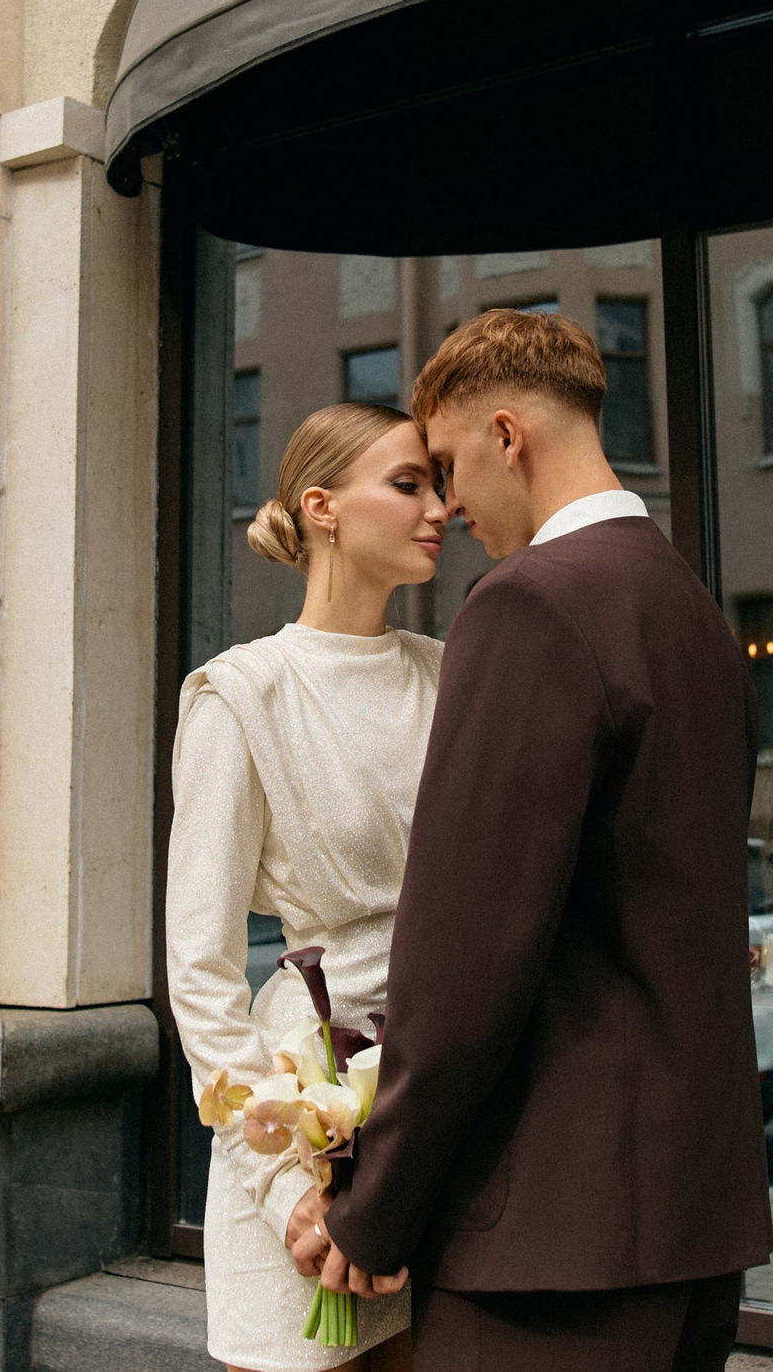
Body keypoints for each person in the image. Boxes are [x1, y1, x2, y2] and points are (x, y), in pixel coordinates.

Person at [307, 309, 767, 1372]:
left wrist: (375, 1206)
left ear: (508, 435)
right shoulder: (689, 607)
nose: (451, 505)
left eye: (451, 465)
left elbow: (467, 959)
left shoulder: (528, 606)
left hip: (554, 1247)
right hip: (694, 1225)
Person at [167, 401, 447, 1372]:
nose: (437, 507)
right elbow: (201, 974)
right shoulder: (242, 695)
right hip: (298, 1122)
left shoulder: (449, 679)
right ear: (321, 506)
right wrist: (288, 1190)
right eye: (407, 483)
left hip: (435, 1114)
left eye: (438, 483)